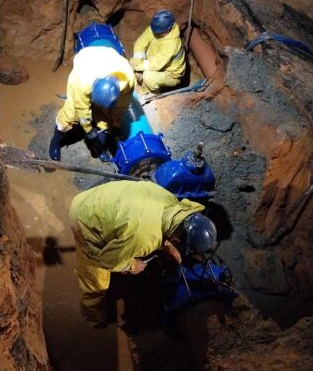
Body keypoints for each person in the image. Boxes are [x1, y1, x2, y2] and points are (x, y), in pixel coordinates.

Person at [69, 180, 217, 327]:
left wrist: (166, 245)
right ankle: (93, 315)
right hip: (83, 218)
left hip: (98, 199)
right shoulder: (143, 238)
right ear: (176, 239)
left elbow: (152, 223)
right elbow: (107, 260)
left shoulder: (172, 202)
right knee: (96, 280)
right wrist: (133, 265)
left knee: (128, 242)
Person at [49, 45, 136, 162]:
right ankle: (56, 140)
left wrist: (116, 123)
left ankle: (99, 148)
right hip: (86, 61)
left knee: (106, 119)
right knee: (70, 114)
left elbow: (122, 106)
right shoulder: (82, 82)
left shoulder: (128, 80)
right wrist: (88, 130)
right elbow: (82, 109)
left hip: (108, 59)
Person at [130, 9, 186, 96]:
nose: (155, 33)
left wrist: (138, 67)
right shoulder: (157, 27)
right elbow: (140, 43)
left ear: (168, 29)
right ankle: (143, 82)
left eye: (158, 32)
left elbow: (155, 64)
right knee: (133, 61)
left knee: (148, 77)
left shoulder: (172, 43)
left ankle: (153, 95)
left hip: (171, 74)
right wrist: (137, 62)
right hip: (155, 63)